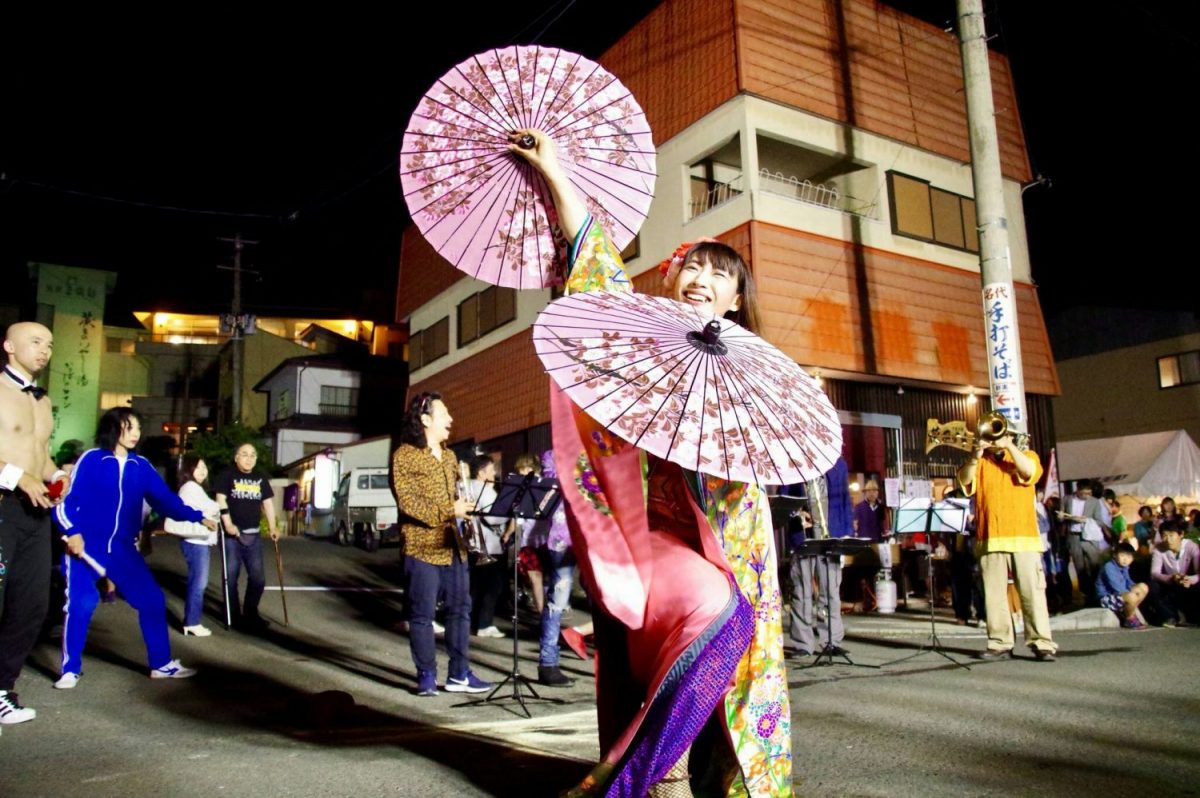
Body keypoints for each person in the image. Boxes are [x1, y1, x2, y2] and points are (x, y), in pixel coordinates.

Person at [513, 129, 791, 796]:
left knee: (732, 689)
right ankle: (631, 780)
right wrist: (555, 173)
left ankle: (669, 779)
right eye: (694, 266)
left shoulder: (754, 369)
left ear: (734, 303)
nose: (705, 279)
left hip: (730, 544)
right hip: (648, 542)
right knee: (722, 617)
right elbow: (597, 268)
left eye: (722, 274)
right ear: (670, 279)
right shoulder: (640, 340)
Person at [53, 408, 214, 688]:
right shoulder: (92, 459)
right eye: (129, 426)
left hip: (123, 550)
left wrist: (198, 516)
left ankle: (161, 664)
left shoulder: (142, 466)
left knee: (152, 600)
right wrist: (72, 532)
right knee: (81, 603)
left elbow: (165, 500)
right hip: (86, 546)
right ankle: (70, 669)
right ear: (113, 429)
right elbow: (66, 503)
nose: (135, 433)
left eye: (138, 427)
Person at [391, 392, 492, 697]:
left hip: (454, 545)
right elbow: (408, 503)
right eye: (444, 414)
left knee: (461, 610)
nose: (450, 420)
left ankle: (460, 674)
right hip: (422, 545)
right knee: (422, 614)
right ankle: (426, 675)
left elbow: (454, 500)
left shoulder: (449, 457)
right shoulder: (405, 455)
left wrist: (464, 504)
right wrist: (452, 509)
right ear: (425, 420)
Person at [0, 322, 66, 725]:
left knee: (32, 606)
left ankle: (2, 689)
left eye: (50, 344)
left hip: (36, 514)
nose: (45, 350)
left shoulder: (43, 401)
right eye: (36, 342)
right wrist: (17, 476)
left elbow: (41, 460)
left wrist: (59, 475)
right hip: (2, 508)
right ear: (8, 346)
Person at [957, 429, 1056, 661]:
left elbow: (1030, 472)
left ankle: (1042, 643)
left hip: (1024, 537)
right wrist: (975, 455)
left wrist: (1010, 446)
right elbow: (964, 480)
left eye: (999, 435)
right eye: (990, 437)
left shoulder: (1028, 455)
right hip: (989, 537)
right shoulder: (980, 461)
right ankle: (1000, 643)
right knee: (993, 595)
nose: (994, 441)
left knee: (1032, 592)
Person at [788, 458, 853, 657]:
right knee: (801, 590)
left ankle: (831, 640)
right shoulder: (793, 462)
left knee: (830, 591)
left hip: (830, 536)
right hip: (803, 537)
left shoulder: (839, 464)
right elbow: (786, 500)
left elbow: (845, 501)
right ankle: (803, 643)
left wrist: (847, 533)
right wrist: (798, 515)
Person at [214, 443, 279, 633]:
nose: (249, 458)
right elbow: (220, 499)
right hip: (231, 536)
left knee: (258, 579)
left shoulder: (260, 478)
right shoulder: (227, 475)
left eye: (253, 455)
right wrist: (227, 523)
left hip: (254, 535)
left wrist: (273, 526)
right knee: (230, 577)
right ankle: (233, 615)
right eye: (244, 454)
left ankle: (250, 612)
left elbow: (267, 503)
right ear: (236, 457)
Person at [163, 455, 220, 636]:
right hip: (195, 542)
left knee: (198, 581)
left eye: (204, 467)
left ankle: (192, 621)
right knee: (199, 582)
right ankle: (192, 622)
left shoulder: (196, 488)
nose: (203, 471)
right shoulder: (191, 487)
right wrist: (216, 507)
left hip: (199, 541)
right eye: (198, 468)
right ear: (189, 470)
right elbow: (206, 508)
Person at [533, 449, 576, 687]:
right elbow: (548, 488)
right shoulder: (553, 455)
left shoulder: (597, 447)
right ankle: (548, 663)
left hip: (596, 535)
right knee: (558, 598)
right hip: (563, 536)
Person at [466, 454, 508, 639]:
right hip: (489, 544)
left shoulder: (467, 486)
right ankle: (484, 624)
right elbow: (493, 517)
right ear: (482, 472)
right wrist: (509, 512)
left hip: (472, 543)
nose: (495, 473)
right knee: (493, 586)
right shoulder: (486, 491)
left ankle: (471, 622)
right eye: (491, 469)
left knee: (475, 586)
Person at [1057, 480, 1112, 606]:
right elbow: (1061, 518)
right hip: (1073, 536)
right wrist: (1061, 517)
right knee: (1079, 567)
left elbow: (1099, 521)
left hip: (1089, 537)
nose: (1087, 495)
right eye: (1084, 493)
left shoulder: (1094, 502)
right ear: (1078, 489)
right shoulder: (1067, 499)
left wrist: (1085, 520)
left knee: (1094, 565)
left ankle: (1099, 593)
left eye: (1089, 493)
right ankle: (1087, 595)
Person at [1148, 520, 1199, 626]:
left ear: (1181, 534)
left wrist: (1189, 579)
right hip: (1170, 582)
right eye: (1164, 536)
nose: (1168, 540)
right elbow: (1154, 572)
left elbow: (1199, 572)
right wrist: (1171, 578)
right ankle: (1170, 617)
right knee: (1153, 585)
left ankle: (1192, 617)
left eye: (1171, 535)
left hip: (1188, 583)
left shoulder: (1192, 547)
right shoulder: (1159, 548)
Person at [1095, 542, 1148, 628]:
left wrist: (1136, 589)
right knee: (1132, 596)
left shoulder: (1125, 567)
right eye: (1122, 555)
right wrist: (1131, 595)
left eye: (1129, 556)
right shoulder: (1109, 567)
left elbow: (1129, 582)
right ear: (1115, 555)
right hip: (1105, 598)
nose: (1125, 559)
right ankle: (1129, 618)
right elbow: (1117, 587)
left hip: (1119, 595)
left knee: (1143, 587)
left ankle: (1128, 611)